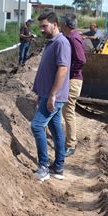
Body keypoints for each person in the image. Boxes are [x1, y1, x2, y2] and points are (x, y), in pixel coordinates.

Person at [31, 11, 71, 181]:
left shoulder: (61, 43)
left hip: (54, 96)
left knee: (37, 126)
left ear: (55, 25)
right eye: (40, 26)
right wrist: (41, 93)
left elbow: (63, 69)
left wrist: (52, 95)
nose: (41, 29)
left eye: (44, 26)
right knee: (55, 129)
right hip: (47, 94)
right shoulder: (51, 42)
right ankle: (58, 167)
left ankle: (44, 167)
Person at [61, 14, 86, 157]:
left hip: (73, 80)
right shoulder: (75, 36)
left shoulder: (73, 38)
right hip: (73, 79)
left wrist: (69, 74)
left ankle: (71, 144)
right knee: (65, 111)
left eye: (61, 23)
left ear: (66, 25)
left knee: (68, 112)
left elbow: (81, 60)